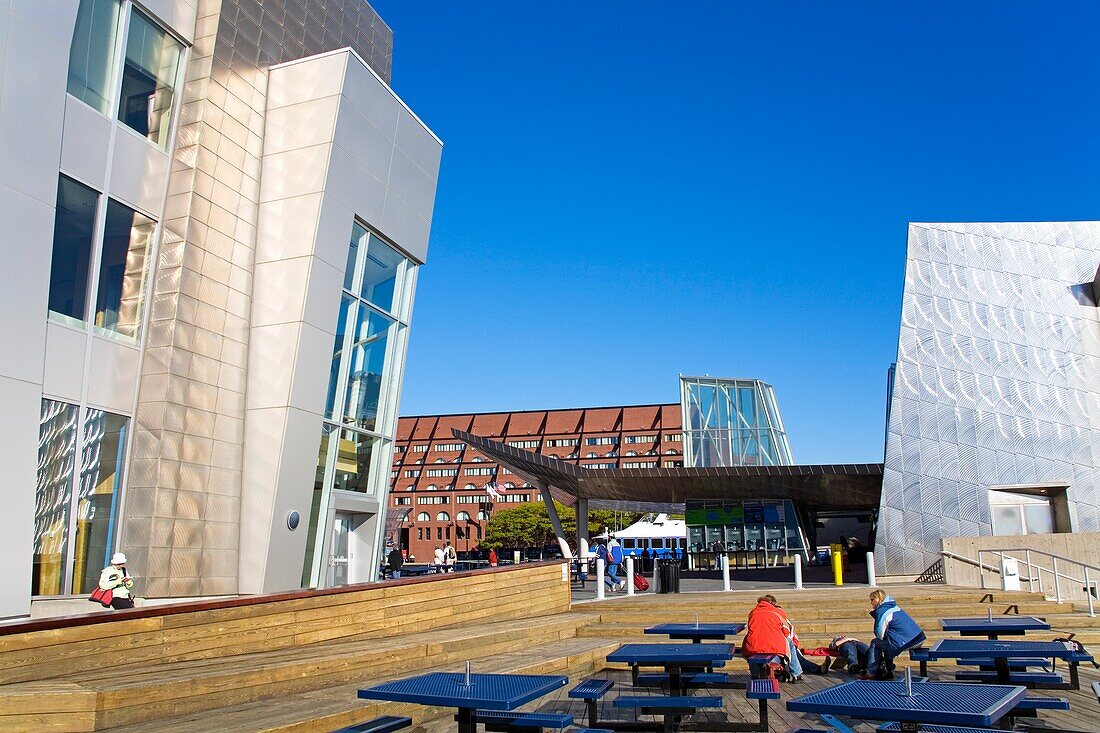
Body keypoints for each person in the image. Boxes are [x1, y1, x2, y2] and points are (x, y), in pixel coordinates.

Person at [865, 589, 926, 680]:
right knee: (888, 643)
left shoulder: (882, 612)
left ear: (878, 599)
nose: (871, 602)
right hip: (919, 638)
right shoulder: (894, 607)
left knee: (875, 642)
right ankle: (888, 671)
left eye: (872, 600)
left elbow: (880, 634)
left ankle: (871, 673)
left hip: (908, 641)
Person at [742, 594, 800, 681]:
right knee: (790, 643)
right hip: (775, 649)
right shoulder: (778, 612)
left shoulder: (753, 612)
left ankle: (755, 674)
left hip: (753, 648)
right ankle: (796, 674)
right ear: (773, 604)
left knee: (752, 650)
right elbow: (786, 631)